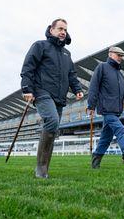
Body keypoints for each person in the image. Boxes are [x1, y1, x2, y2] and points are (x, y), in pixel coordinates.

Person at [20, 18, 84, 178]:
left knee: (53, 128)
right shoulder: (40, 45)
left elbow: (71, 75)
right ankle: (40, 169)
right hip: (41, 92)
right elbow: (28, 67)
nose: (63, 32)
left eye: (65, 30)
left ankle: (44, 168)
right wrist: (27, 88)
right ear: (51, 30)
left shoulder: (66, 54)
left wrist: (77, 89)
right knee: (52, 121)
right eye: (60, 29)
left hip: (59, 97)